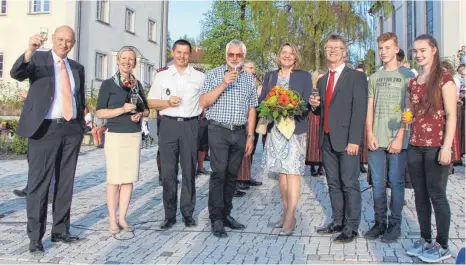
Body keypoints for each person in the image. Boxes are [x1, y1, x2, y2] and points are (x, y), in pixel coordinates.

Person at [10, 26, 85, 254]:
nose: (64, 44)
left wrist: (80, 126)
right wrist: (29, 50)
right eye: (60, 39)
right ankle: (35, 237)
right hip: (44, 129)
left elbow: (78, 99)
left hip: (70, 129)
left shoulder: (77, 68)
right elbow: (17, 73)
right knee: (39, 185)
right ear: (53, 39)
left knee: (65, 183)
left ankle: (61, 229)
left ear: (73, 43)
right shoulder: (39, 59)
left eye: (69, 41)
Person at [403, 34, 457, 263]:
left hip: (436, 146)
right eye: (415, 51)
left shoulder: (445, 79)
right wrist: (406, 118)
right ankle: (425, 239)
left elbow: (452, 115)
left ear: (433, 50)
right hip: (415, 145)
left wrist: (447, 147)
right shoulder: (413, 82)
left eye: (422, 50)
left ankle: (442, 244)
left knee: (437, 195)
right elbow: (409, 112)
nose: (418, 55)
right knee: (420, 196)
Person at [309, 34, 368, 244]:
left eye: (337, 47)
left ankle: (351, 227)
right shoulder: (323, 79)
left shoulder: (356, 77)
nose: (332, 51)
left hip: (347, 141)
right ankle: (337, 221)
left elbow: (360, 110)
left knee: (349, 183)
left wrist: (355, 140)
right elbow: (323, 112)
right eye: (328, 48)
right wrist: (314, 106)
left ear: (344, 52)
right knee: (333, 183)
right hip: (327, 140)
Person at [200, 39, 258, 238]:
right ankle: (216, 218)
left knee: (232, 174)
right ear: (226, 56)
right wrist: (224, 83)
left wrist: (251, 135)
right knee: (219, 173)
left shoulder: (249, 79)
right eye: (231, 55)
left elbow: (252, 109)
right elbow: (204, 102)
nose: (234, 58)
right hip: (218, 129)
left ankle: (226, 214)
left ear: (243, 57)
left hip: (240, 131)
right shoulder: (214, 74)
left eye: (238, 55)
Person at [148, 40, 204, 230]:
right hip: (169, 125)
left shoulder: (199, 76)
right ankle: (169, 215)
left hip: (190, 125)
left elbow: (206, 100)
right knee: (168, 173)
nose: (182, 56)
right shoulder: (162, 76)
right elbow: (150, 102)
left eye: (186, 53)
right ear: (172, 52)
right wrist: (166, 102)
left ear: (190, 54)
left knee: (189, 171)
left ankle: (187, 213)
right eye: (178, 52)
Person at [259, 43, 312, 236]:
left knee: (293, 173)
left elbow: (306, 103)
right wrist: (270, 108)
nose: (287, 56)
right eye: (284, 52)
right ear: (279, 56)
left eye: (291, 53)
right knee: (281, 173)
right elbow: (263, 100)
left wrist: (291, 110)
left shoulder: (304, 76)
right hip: (276, 131)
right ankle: (284, 211)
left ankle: (291, 216)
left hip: (295, 130)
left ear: (296, 57)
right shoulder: (270, 76)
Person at [96, 46, 149, 235]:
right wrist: (122, 110)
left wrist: (139, 114)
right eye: (124, 58)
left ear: (135, 63)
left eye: (131, 59)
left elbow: (147, 109)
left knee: (128, 180)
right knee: (114, 180)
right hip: (116, 135)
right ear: (118, 60)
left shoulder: (137, 84)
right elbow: (100, 112)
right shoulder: (108, 84)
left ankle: (123, 218)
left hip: (133, 135)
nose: (127, 62)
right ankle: (112, 219)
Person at [364, 32, 411, 243]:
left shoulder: (408, 76)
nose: (383, 52)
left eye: (387, 48)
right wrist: (369, 133)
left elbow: (409, 110)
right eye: (380, 48)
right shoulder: (374, 77)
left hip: (398, 139)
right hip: (377, 138)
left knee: (396, 182)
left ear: (396, 48)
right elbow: (369, 108)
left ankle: (395, 224)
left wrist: (400, 136)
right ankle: (379, 222)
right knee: (377, 183)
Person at [237, 60, 264, 190]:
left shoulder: (254, 81)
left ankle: (246, 176)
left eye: (254, 68)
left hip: (255, 118)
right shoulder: (240, 81)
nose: (253, 70)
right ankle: (240, 179)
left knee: (251, 149)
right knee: (243, 150)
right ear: (243, 68)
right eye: (250, 68)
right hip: (244, 119)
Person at [306, 70, 326, 176]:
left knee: (323, 141)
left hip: (323, 117)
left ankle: (321, 166)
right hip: (313, 118)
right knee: (313, 140)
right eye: (319, 78)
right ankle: (312, 165)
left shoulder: (327, 89)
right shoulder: (312, 90)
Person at [355, 64, 369, 174]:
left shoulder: (367, 85)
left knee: (363, 141)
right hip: (353, 116)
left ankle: (361, 163)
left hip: (364, 116)